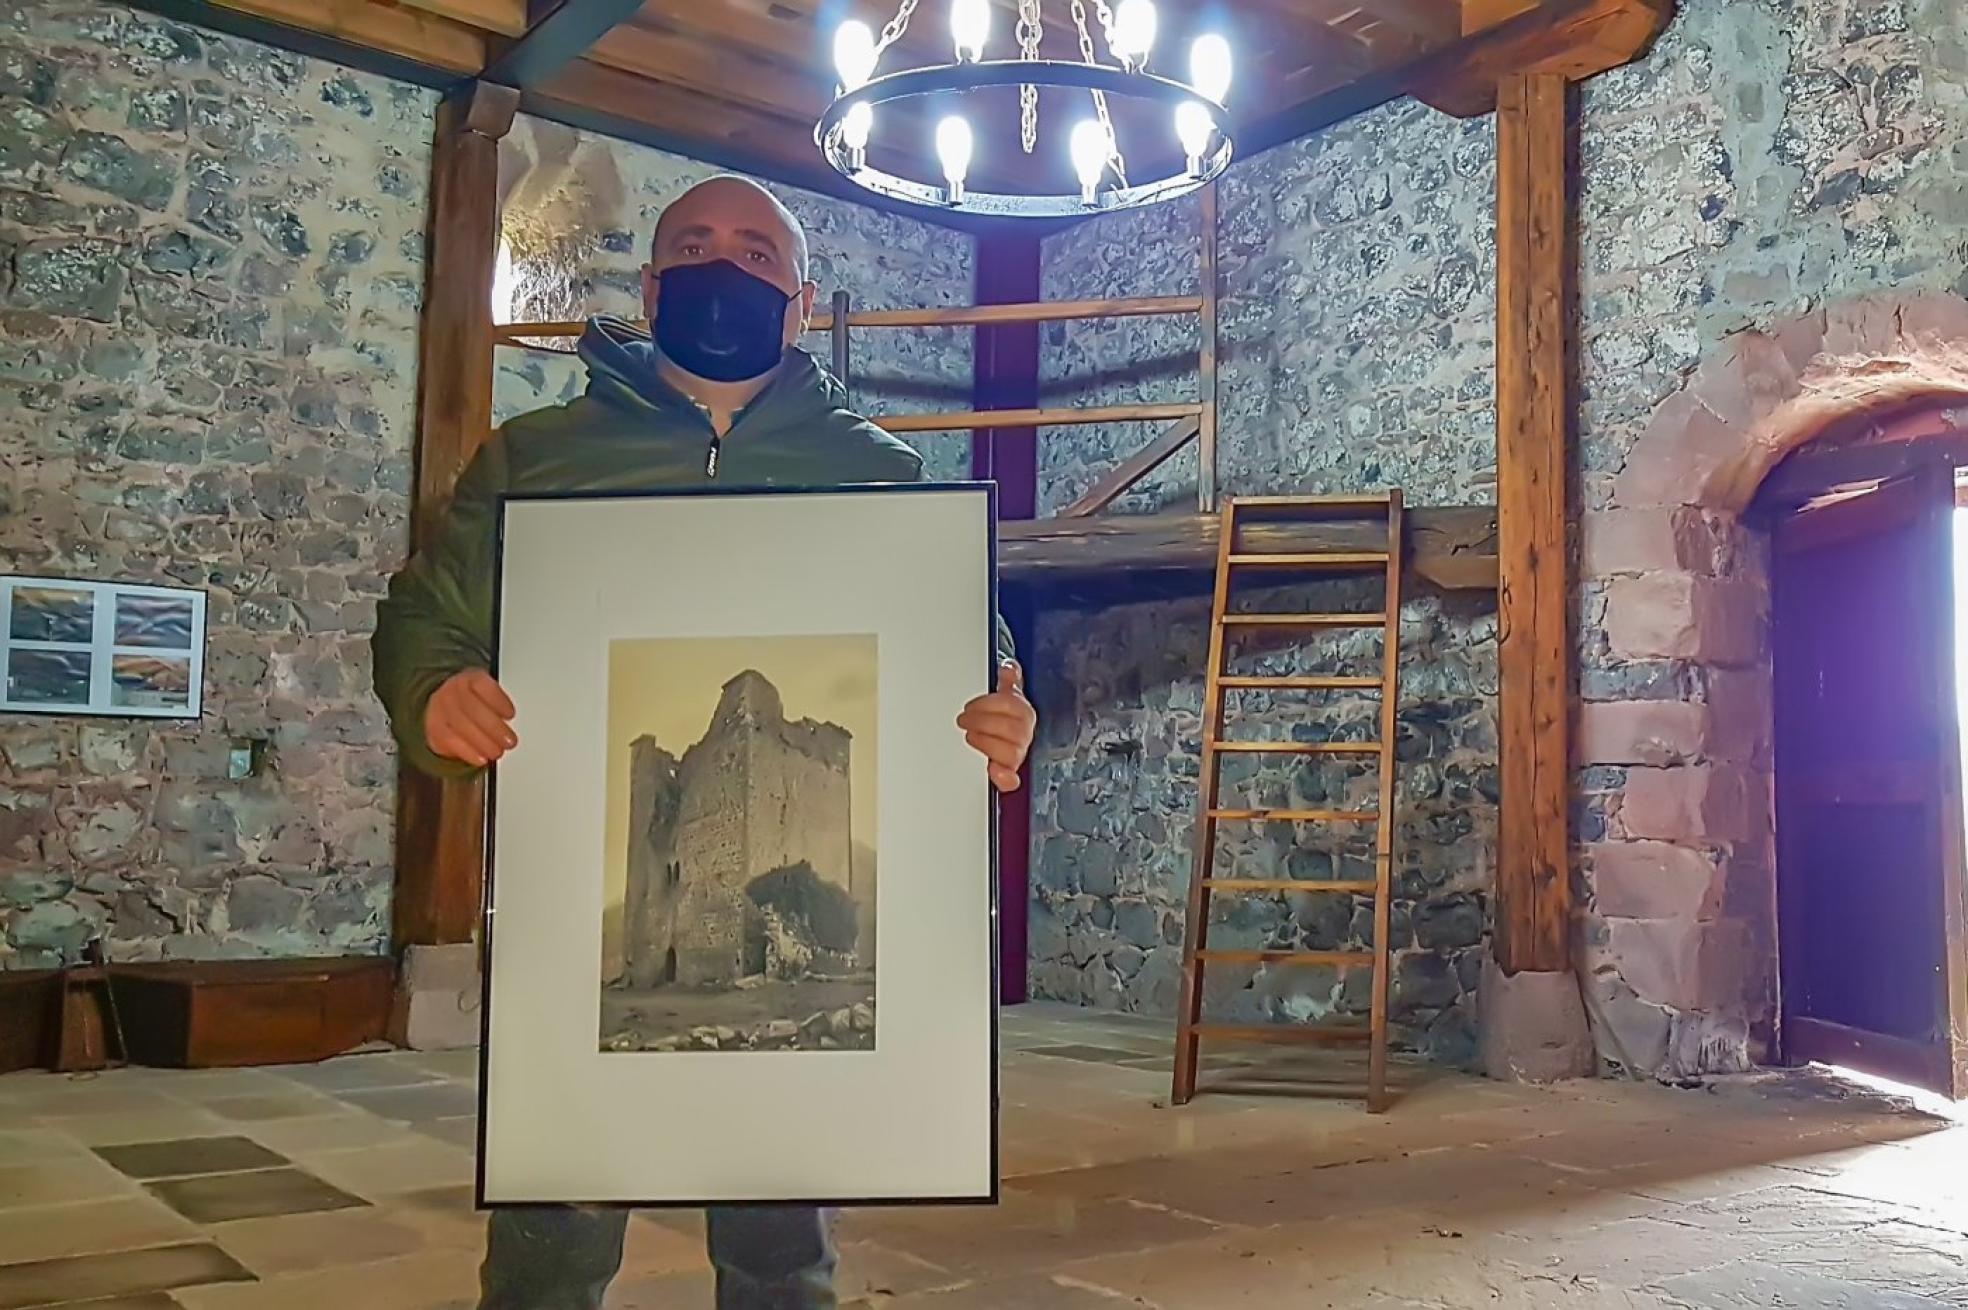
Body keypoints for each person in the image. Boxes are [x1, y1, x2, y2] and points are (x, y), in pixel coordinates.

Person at [371, 175, 1038, 1310]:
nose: (721, 267)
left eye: (754, 254)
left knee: (783, 1244)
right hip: (561, 943)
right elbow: (424, 618)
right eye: (692, 245)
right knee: (551, 1238)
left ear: (799, 299)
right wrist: (436, 690)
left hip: (790, 1014)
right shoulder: (536, 460)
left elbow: (970, 648)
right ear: (650, 283)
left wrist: (1000, 710)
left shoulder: (877, 472)